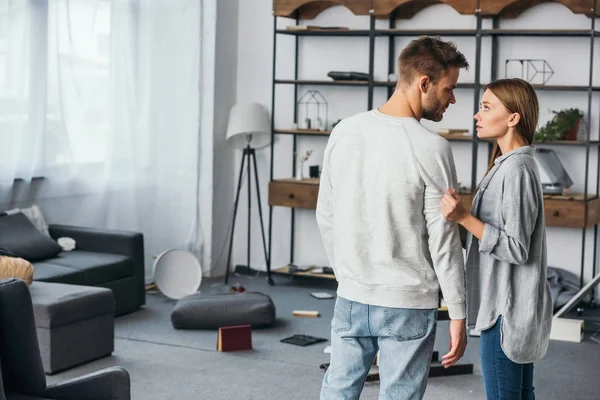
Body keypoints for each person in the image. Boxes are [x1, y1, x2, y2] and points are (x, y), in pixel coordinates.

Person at [316, 36, 469, 400]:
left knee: (337, 390)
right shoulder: (432, 147)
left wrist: (350, 276)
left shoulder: (345, 131)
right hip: (407, 303)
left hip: (351, 295)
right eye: (449, 89)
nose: (453, 99)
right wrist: (459, 312)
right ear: (424, 83)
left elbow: (326, 215)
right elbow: (443, 240)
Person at [440, 78, 553, 400]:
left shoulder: (516, 169)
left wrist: (464, 217)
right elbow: (489, 238)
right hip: (512, 306)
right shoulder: (508, 165)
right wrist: (458, 220)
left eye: (486, 107)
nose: (477, 115)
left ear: (513, 118)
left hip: (505, 310)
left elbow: (516, 248)